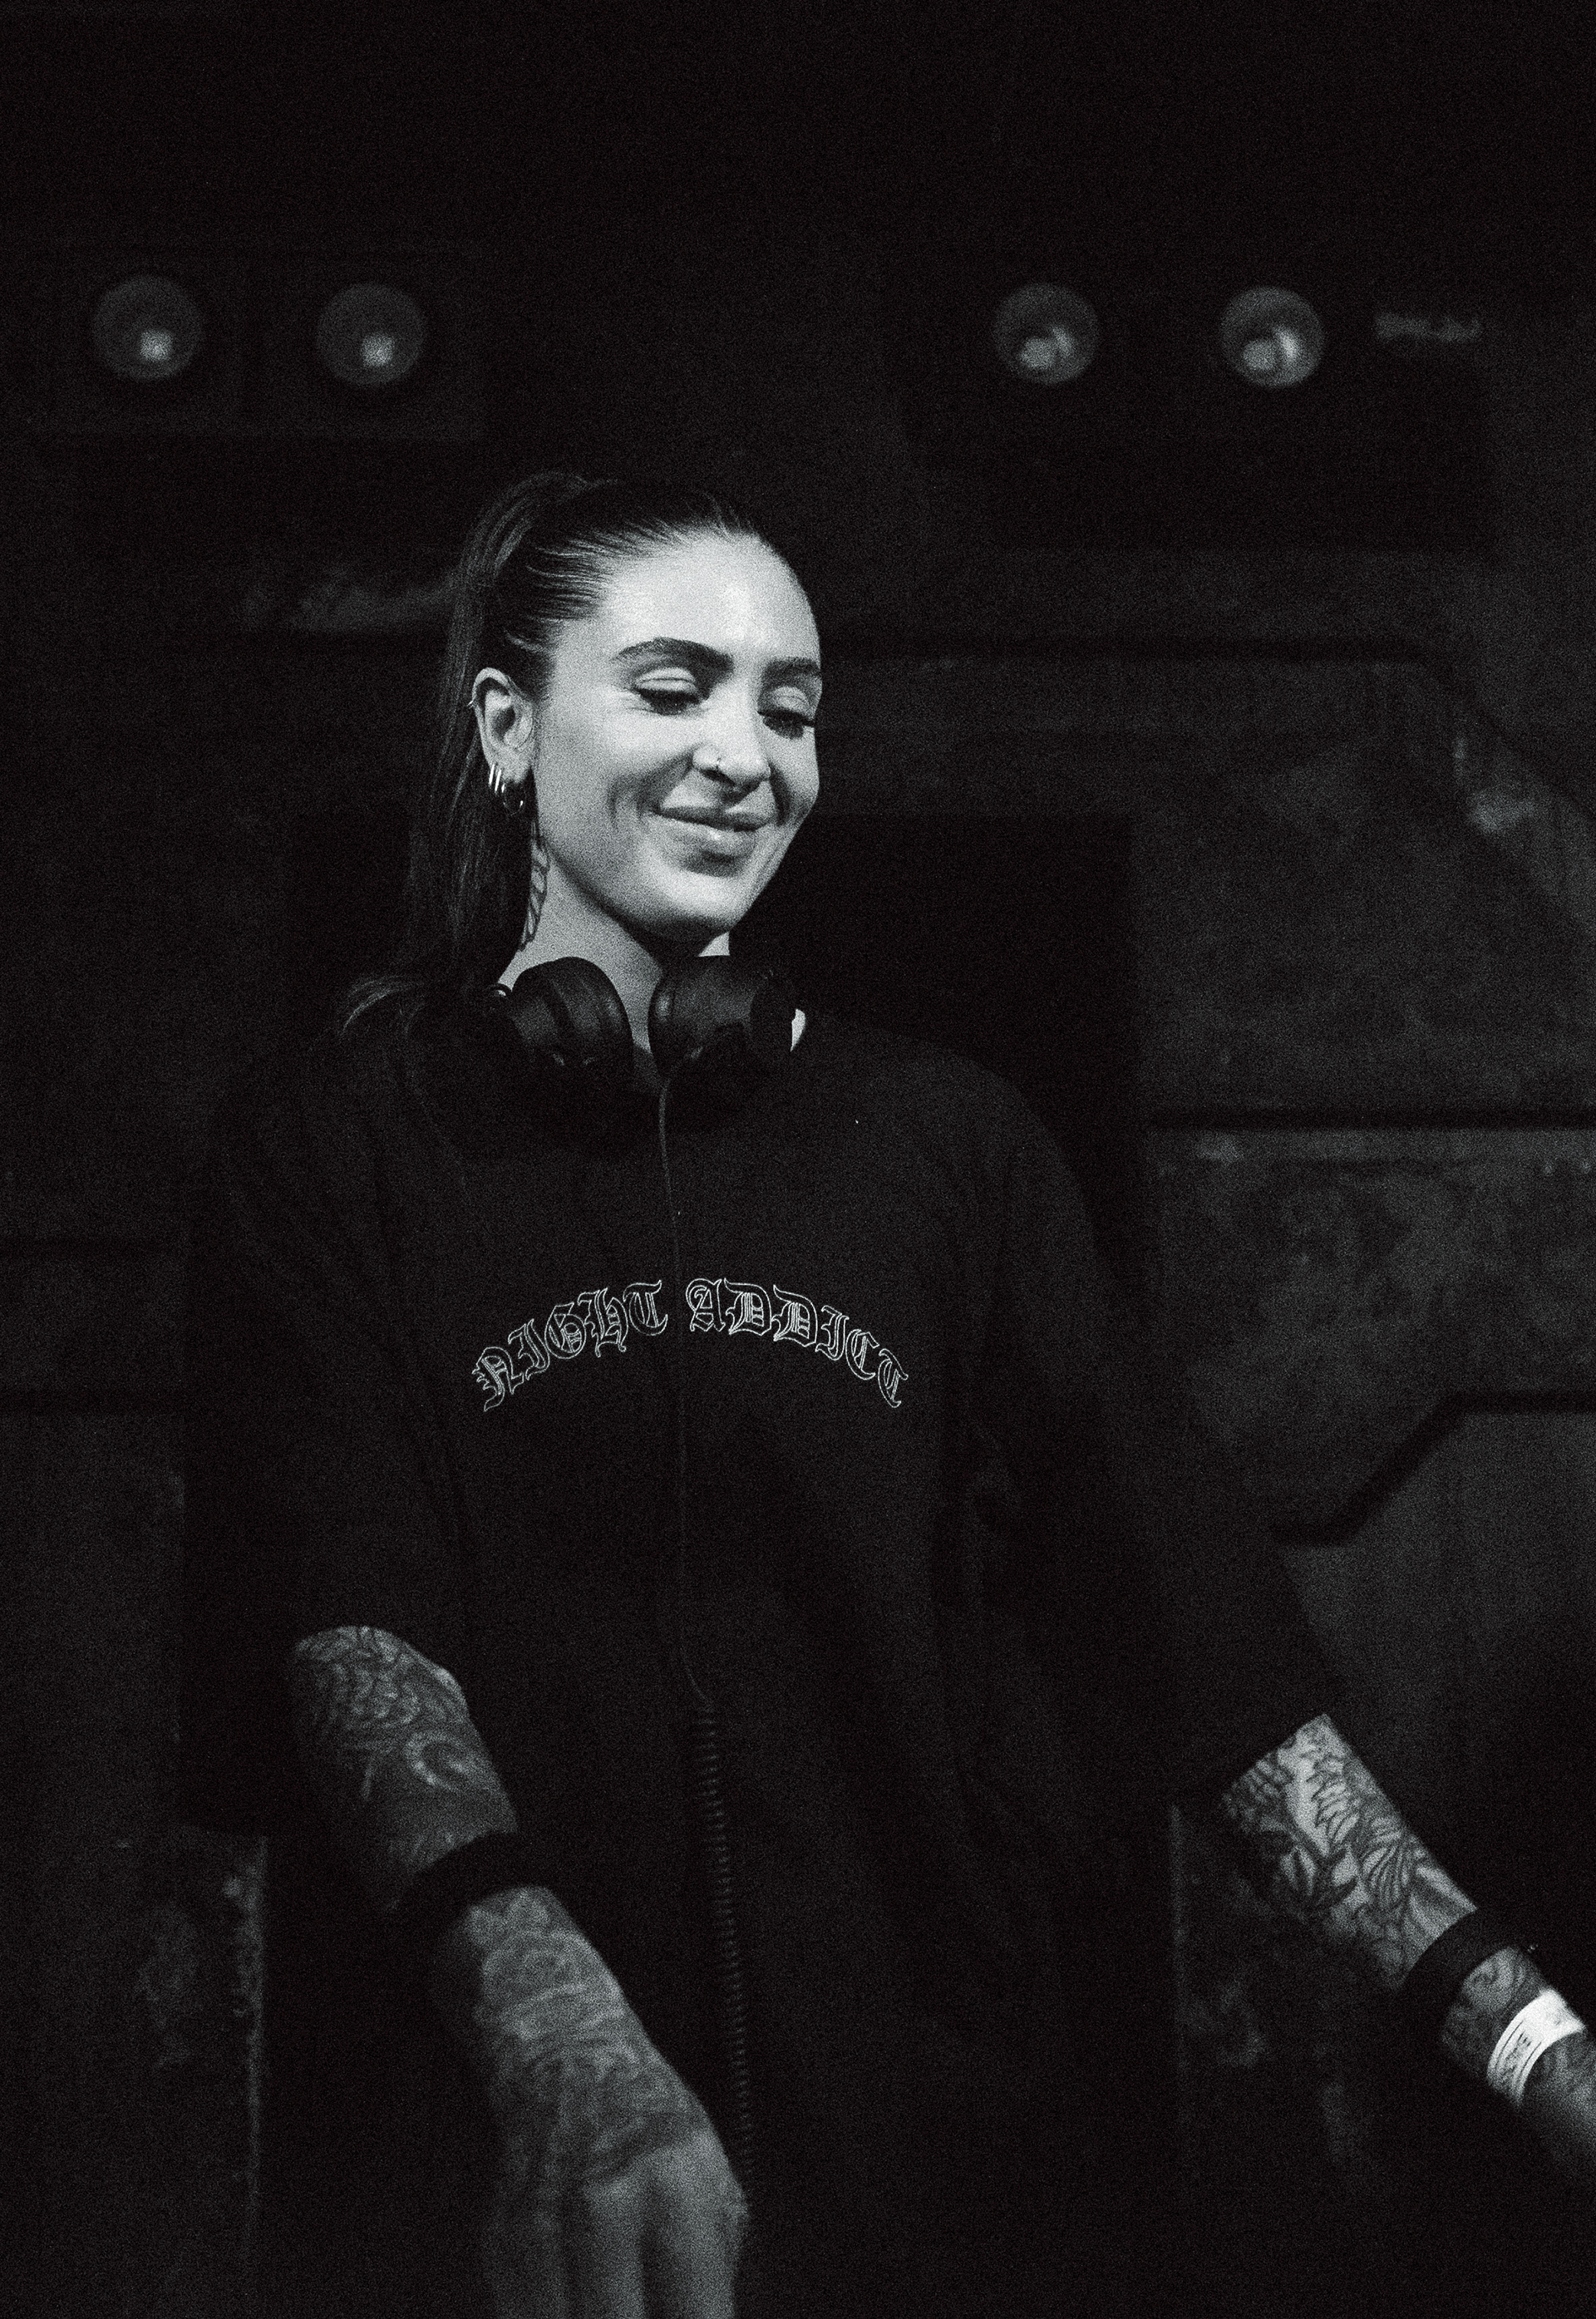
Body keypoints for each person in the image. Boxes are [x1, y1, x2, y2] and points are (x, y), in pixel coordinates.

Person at [180, 469, 1596, 2319]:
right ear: (508, 727)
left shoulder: (941, 1146)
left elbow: (1195, 1637)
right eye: (674, 686)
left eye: (792, 707)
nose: (744, 754)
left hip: (918, 2188)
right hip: (497, 2199)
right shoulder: (339, 1147)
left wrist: (1537, 2044)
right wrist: (560, 2041)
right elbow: (350, 1632)